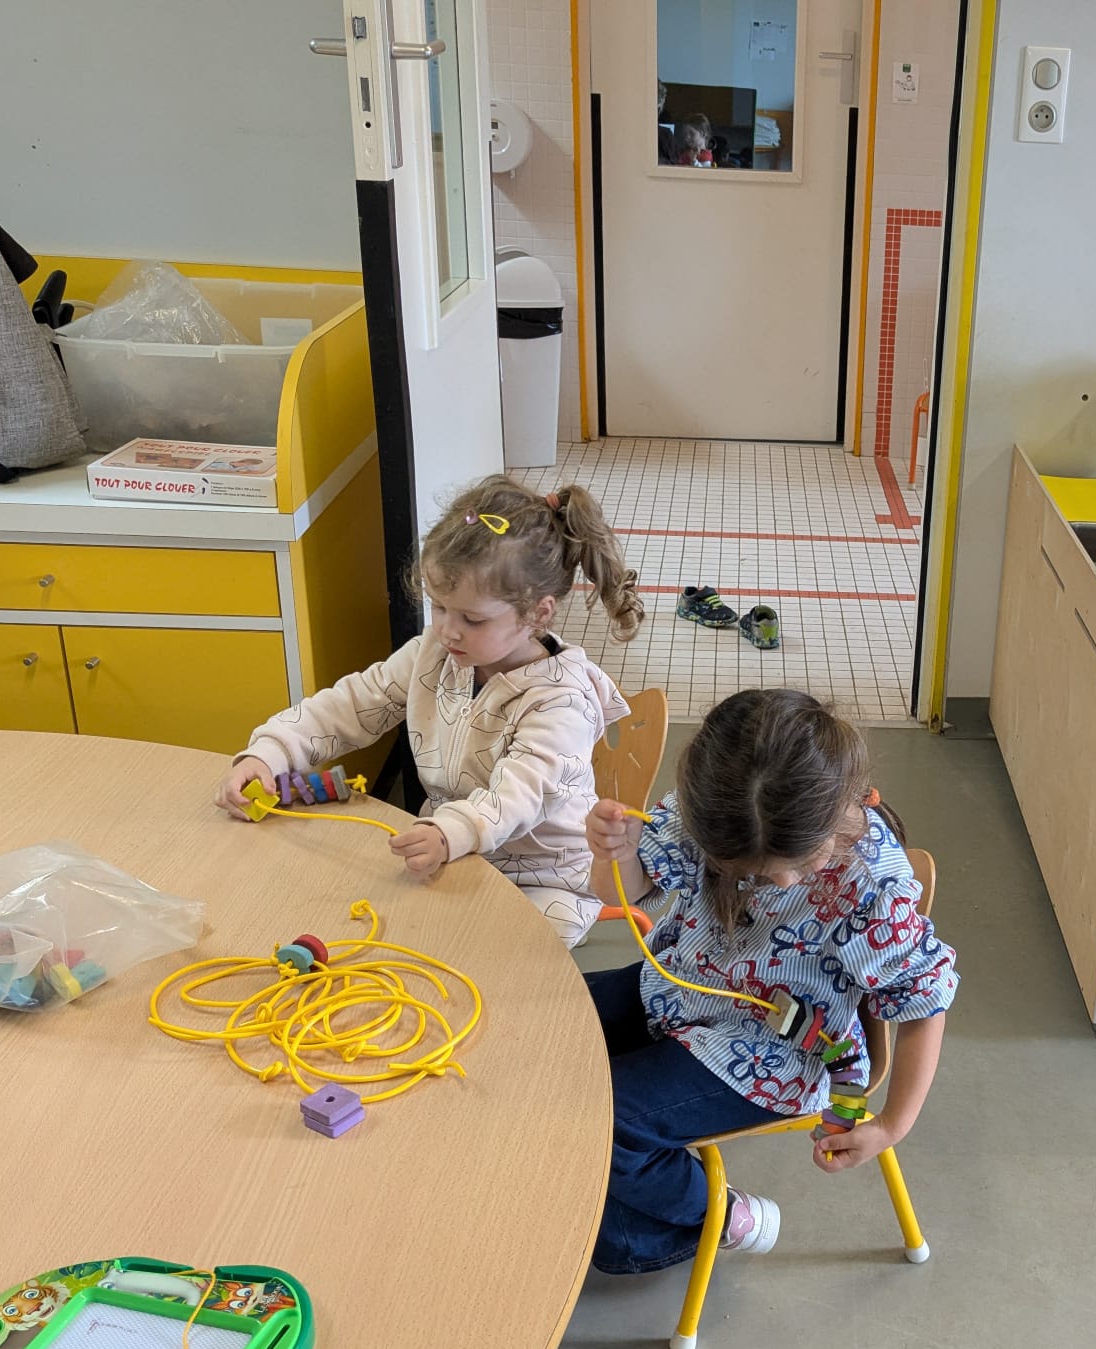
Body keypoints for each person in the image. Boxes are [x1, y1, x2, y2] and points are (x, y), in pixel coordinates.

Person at [580, 689, 957, 1275]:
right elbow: (619, 894)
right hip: (684, 988)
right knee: (558, 1025)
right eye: (753, 873)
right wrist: (616, 856)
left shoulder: (873, 889)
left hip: (773, 1055)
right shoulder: (714, 810)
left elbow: (924, 1003)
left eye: (804, 863)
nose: (782, 883)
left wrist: (892, 1125)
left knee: (605, 1128)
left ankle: (722, 1215)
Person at [215, 475, 643, 943]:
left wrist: (451, 832)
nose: (447, 630)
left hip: (546, 881)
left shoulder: (562, 700)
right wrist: (272, 752)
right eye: (438, 607)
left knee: (497, 960)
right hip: (454, 850)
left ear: (538, 614)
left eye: (472, 619)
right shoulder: (435, 654)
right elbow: (354, 704)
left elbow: (519, 795)